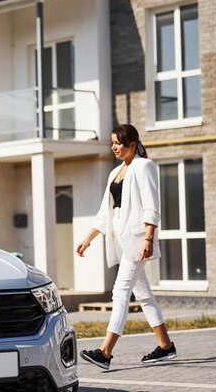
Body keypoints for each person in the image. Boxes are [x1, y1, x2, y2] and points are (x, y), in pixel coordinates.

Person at [76, 124, 176, 370]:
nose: (114, 147)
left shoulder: (144, 166)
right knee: (143, 294)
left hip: (138, 240)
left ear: (132, 144)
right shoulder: (115, 173)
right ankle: (166, 346)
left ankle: (105, 352)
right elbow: (104, 212)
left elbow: (152, 205)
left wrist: (149, 239)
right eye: (112, 143)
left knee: (120, 293)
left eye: (118, 143)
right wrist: (88, 238)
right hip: (122, 241)